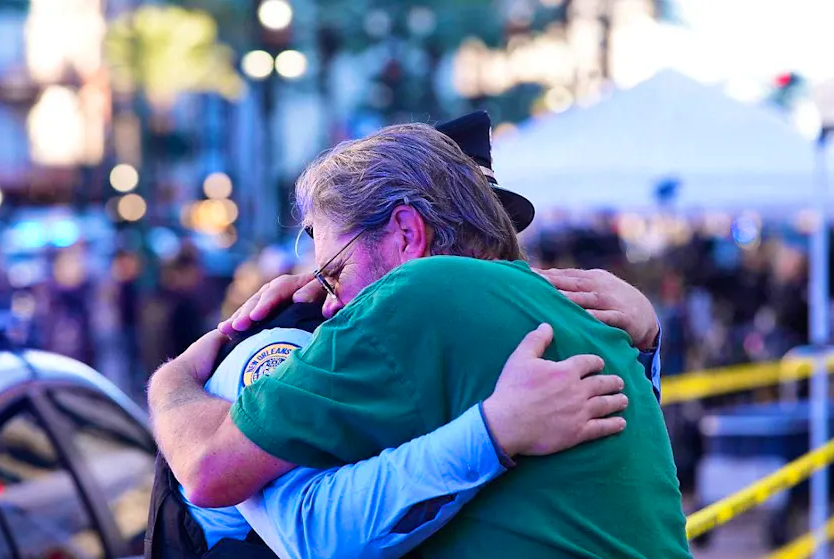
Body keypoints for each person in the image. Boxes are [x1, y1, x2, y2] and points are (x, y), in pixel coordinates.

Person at [149, 123, 689, 558]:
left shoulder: (421, 290)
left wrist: (172, 377)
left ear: (407, 233)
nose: (330, 302)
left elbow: (209, 472)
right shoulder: (587, 314)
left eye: (334, 271)